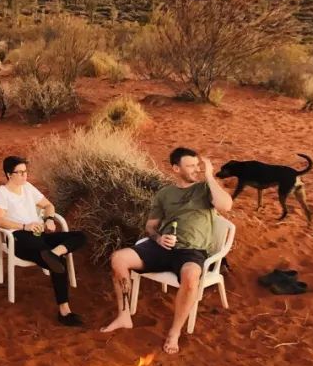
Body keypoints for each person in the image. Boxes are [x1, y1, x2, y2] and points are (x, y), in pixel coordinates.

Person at [100, 146, 233, 354]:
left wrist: (209, 175)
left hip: (192, 251)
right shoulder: (165, 194)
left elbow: (226, 206)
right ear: (175, 168)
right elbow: (151, 226)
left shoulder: (205, 189)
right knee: (119, 259)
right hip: (162, 247)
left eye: (197, 165)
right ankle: (124, 315)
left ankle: (175, 332)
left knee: (191, 277)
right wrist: (159, 238)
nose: (195, 169)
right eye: (190, 166)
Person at [0, 156, 88, 326]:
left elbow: (49, 205)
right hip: (19, 238)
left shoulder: (27, 187)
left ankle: (54, 253)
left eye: (25, 172)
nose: (24, 176)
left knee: (80, 236)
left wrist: (49, 219)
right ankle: (64, 311)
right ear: (8, 174)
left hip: (40, 236)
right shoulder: (1, 192)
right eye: (19, 173)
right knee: (57, 262)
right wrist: (24, 226)